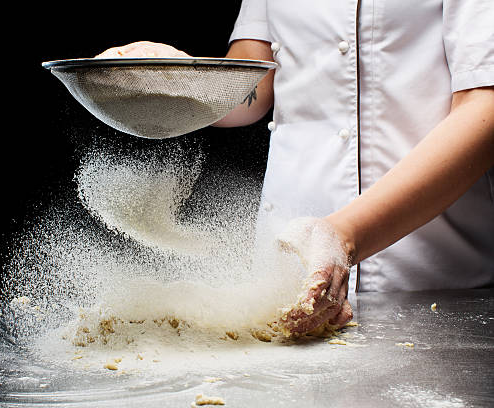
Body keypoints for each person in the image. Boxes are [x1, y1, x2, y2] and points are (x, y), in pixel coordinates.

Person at [96, 0, 494, 336]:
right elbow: (254, 84)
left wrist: (344, 234)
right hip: (285, 268)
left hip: (429, 277)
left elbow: (485, 107)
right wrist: (183, 77)